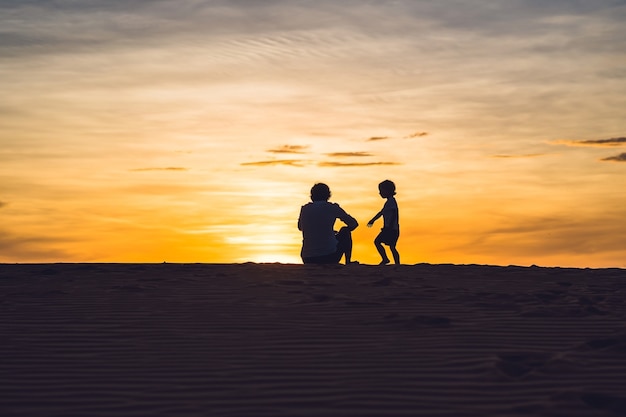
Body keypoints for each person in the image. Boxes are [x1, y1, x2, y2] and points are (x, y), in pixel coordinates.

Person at [298, 183, 358, 264]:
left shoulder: (304, 208)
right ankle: (348, 262)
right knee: (345, 231)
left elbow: (300, 227)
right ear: (328, 195)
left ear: (312, 196)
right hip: (328, 256)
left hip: (307, 258)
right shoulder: (332, 207)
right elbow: (353, 224)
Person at [367, 180, 400, 265]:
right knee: (391, 246)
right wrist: (373, 220)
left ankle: (389, 260)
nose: (380, 193)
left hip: (391, 229)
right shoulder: (388, 202)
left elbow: (394, 213)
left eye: (381, 191)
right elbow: (381, 212)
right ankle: (392, 261)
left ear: (388, 191)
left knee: (380, 243)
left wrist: (390, 226)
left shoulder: (391, 201)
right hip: (390, 228)